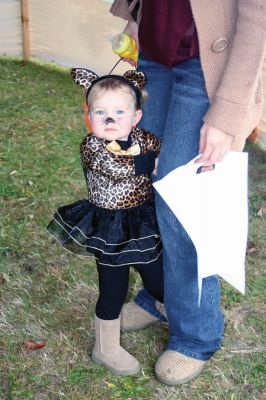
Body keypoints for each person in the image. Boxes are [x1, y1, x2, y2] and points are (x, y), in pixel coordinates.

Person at [109, 0, 266, 385]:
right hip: (153, 57)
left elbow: (257, 17)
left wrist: (227, 114)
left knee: (183, 206)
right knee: (146, 189)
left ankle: (196, 333)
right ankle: (160, 296)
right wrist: (136, 17)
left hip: (207, 69)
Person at [47, 67, 165, 376]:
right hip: (109, 228)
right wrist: (152, 163)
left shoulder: (146, 138)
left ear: (135, 117)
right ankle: (106, 347)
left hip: (142, 221)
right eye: (100, 112)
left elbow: (159, 152)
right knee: (114, 289)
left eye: (118, 112)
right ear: (89, 115)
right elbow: (120, 169)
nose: (109, 119)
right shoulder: (91, 147)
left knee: (157, 277)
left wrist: (158, 159)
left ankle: (166, 310)